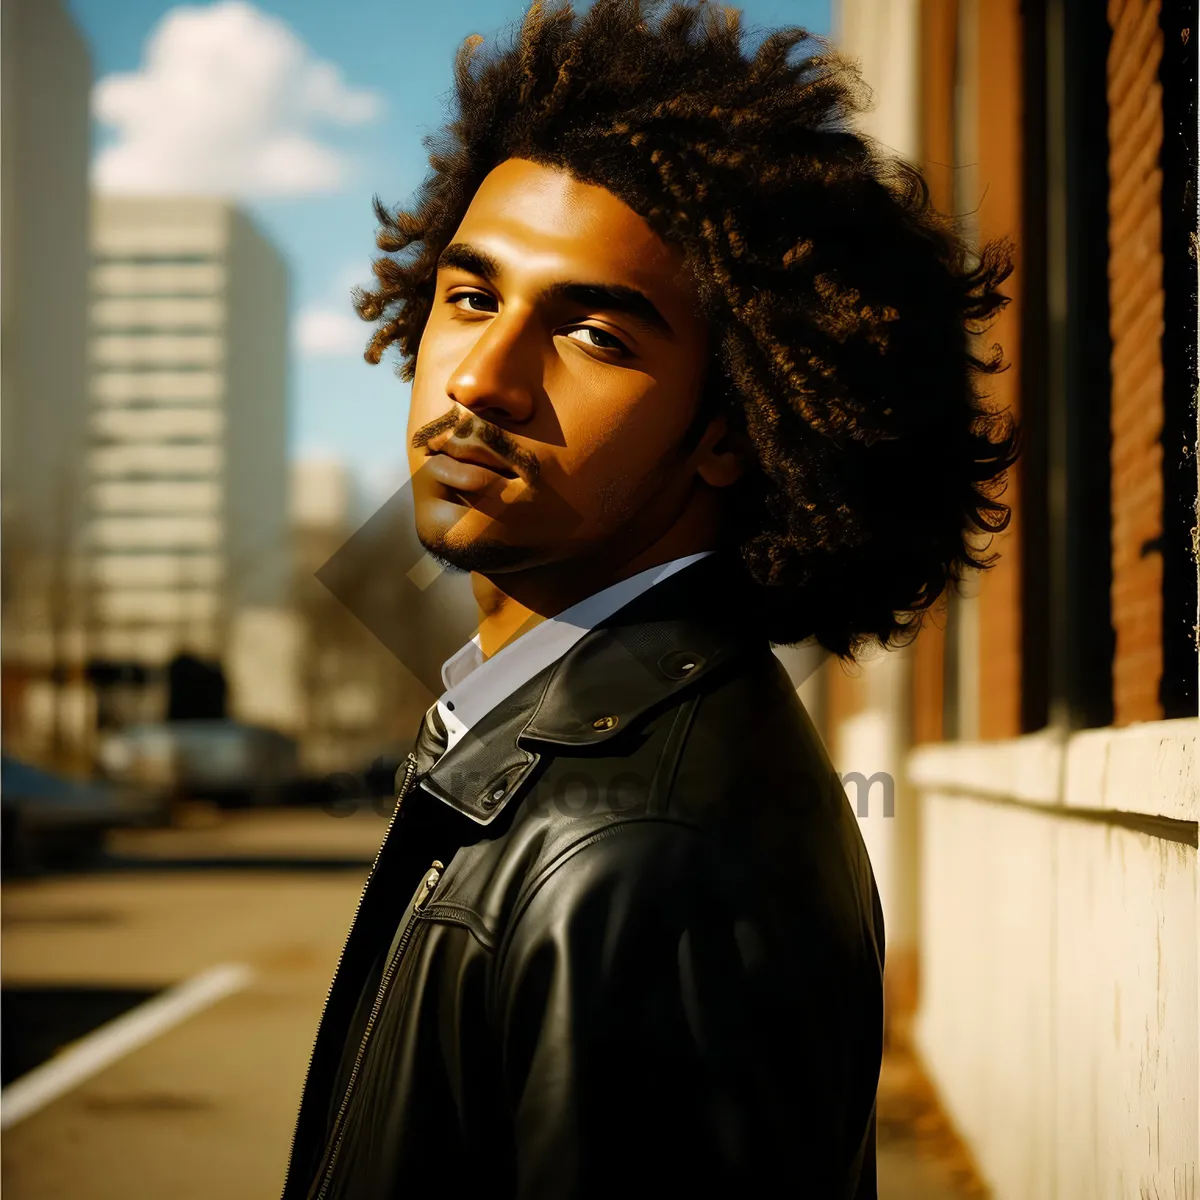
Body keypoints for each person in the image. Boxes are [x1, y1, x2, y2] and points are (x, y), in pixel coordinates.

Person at [280, 2, 1018, 1197]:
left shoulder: (634, 853)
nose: (483, 380)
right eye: (471, 298)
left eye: (592, 335)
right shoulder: (578, 754)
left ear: (732, 434)